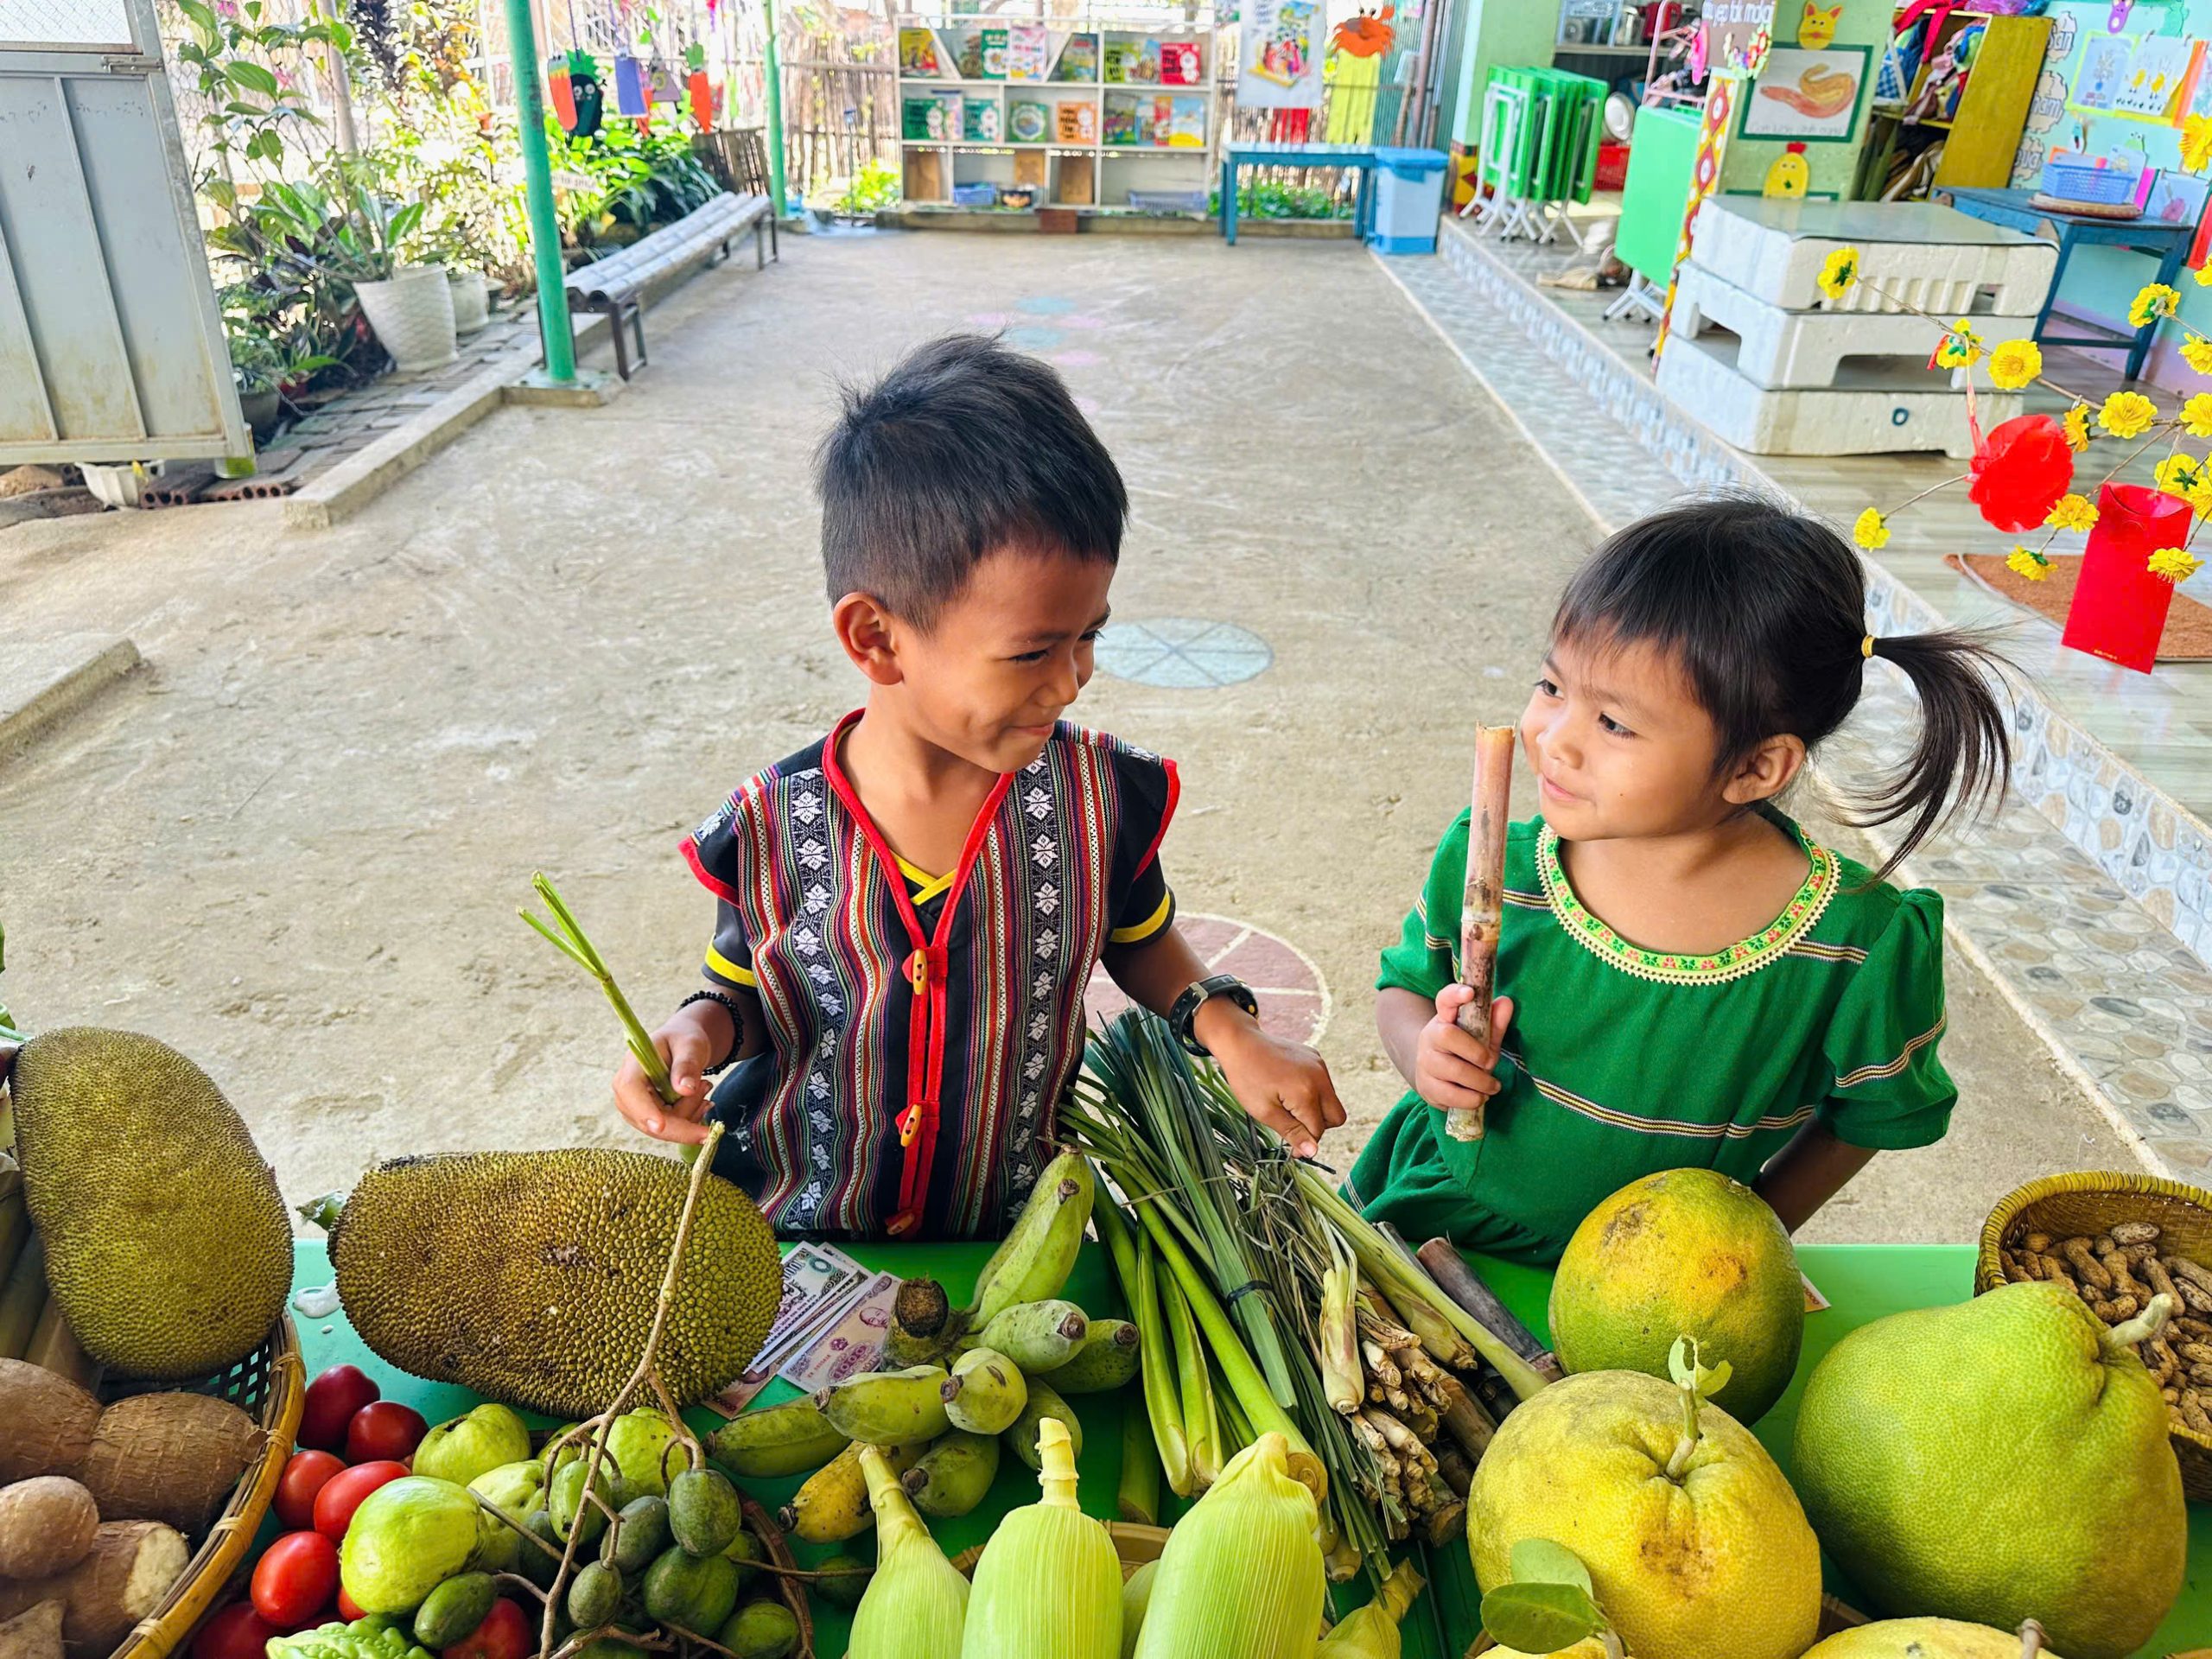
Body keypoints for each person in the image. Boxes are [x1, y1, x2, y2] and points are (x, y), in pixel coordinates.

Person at [612, 334, 1344, 1238]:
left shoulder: (1097, 803)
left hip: (1009, 1229)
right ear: (876, 638)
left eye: (1089, 636)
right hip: (793, 1227)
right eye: (1033, 652)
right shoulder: (770, 826)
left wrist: (1233, 1033)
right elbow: (748, 996)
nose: (1071, 681)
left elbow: (1141, 939)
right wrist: (693, 1035)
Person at [1349, 495, 2010, 1262]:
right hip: (1434, 1221)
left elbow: (1868, 1117)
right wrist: (1424, 1055)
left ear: (1756, 766)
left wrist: (1743, 1238)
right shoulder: (1492, 868)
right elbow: (1404, 991)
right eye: (1552, 687)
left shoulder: (1856, 943)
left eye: (1615, 724)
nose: (1554, 740)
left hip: (1666, 1274)